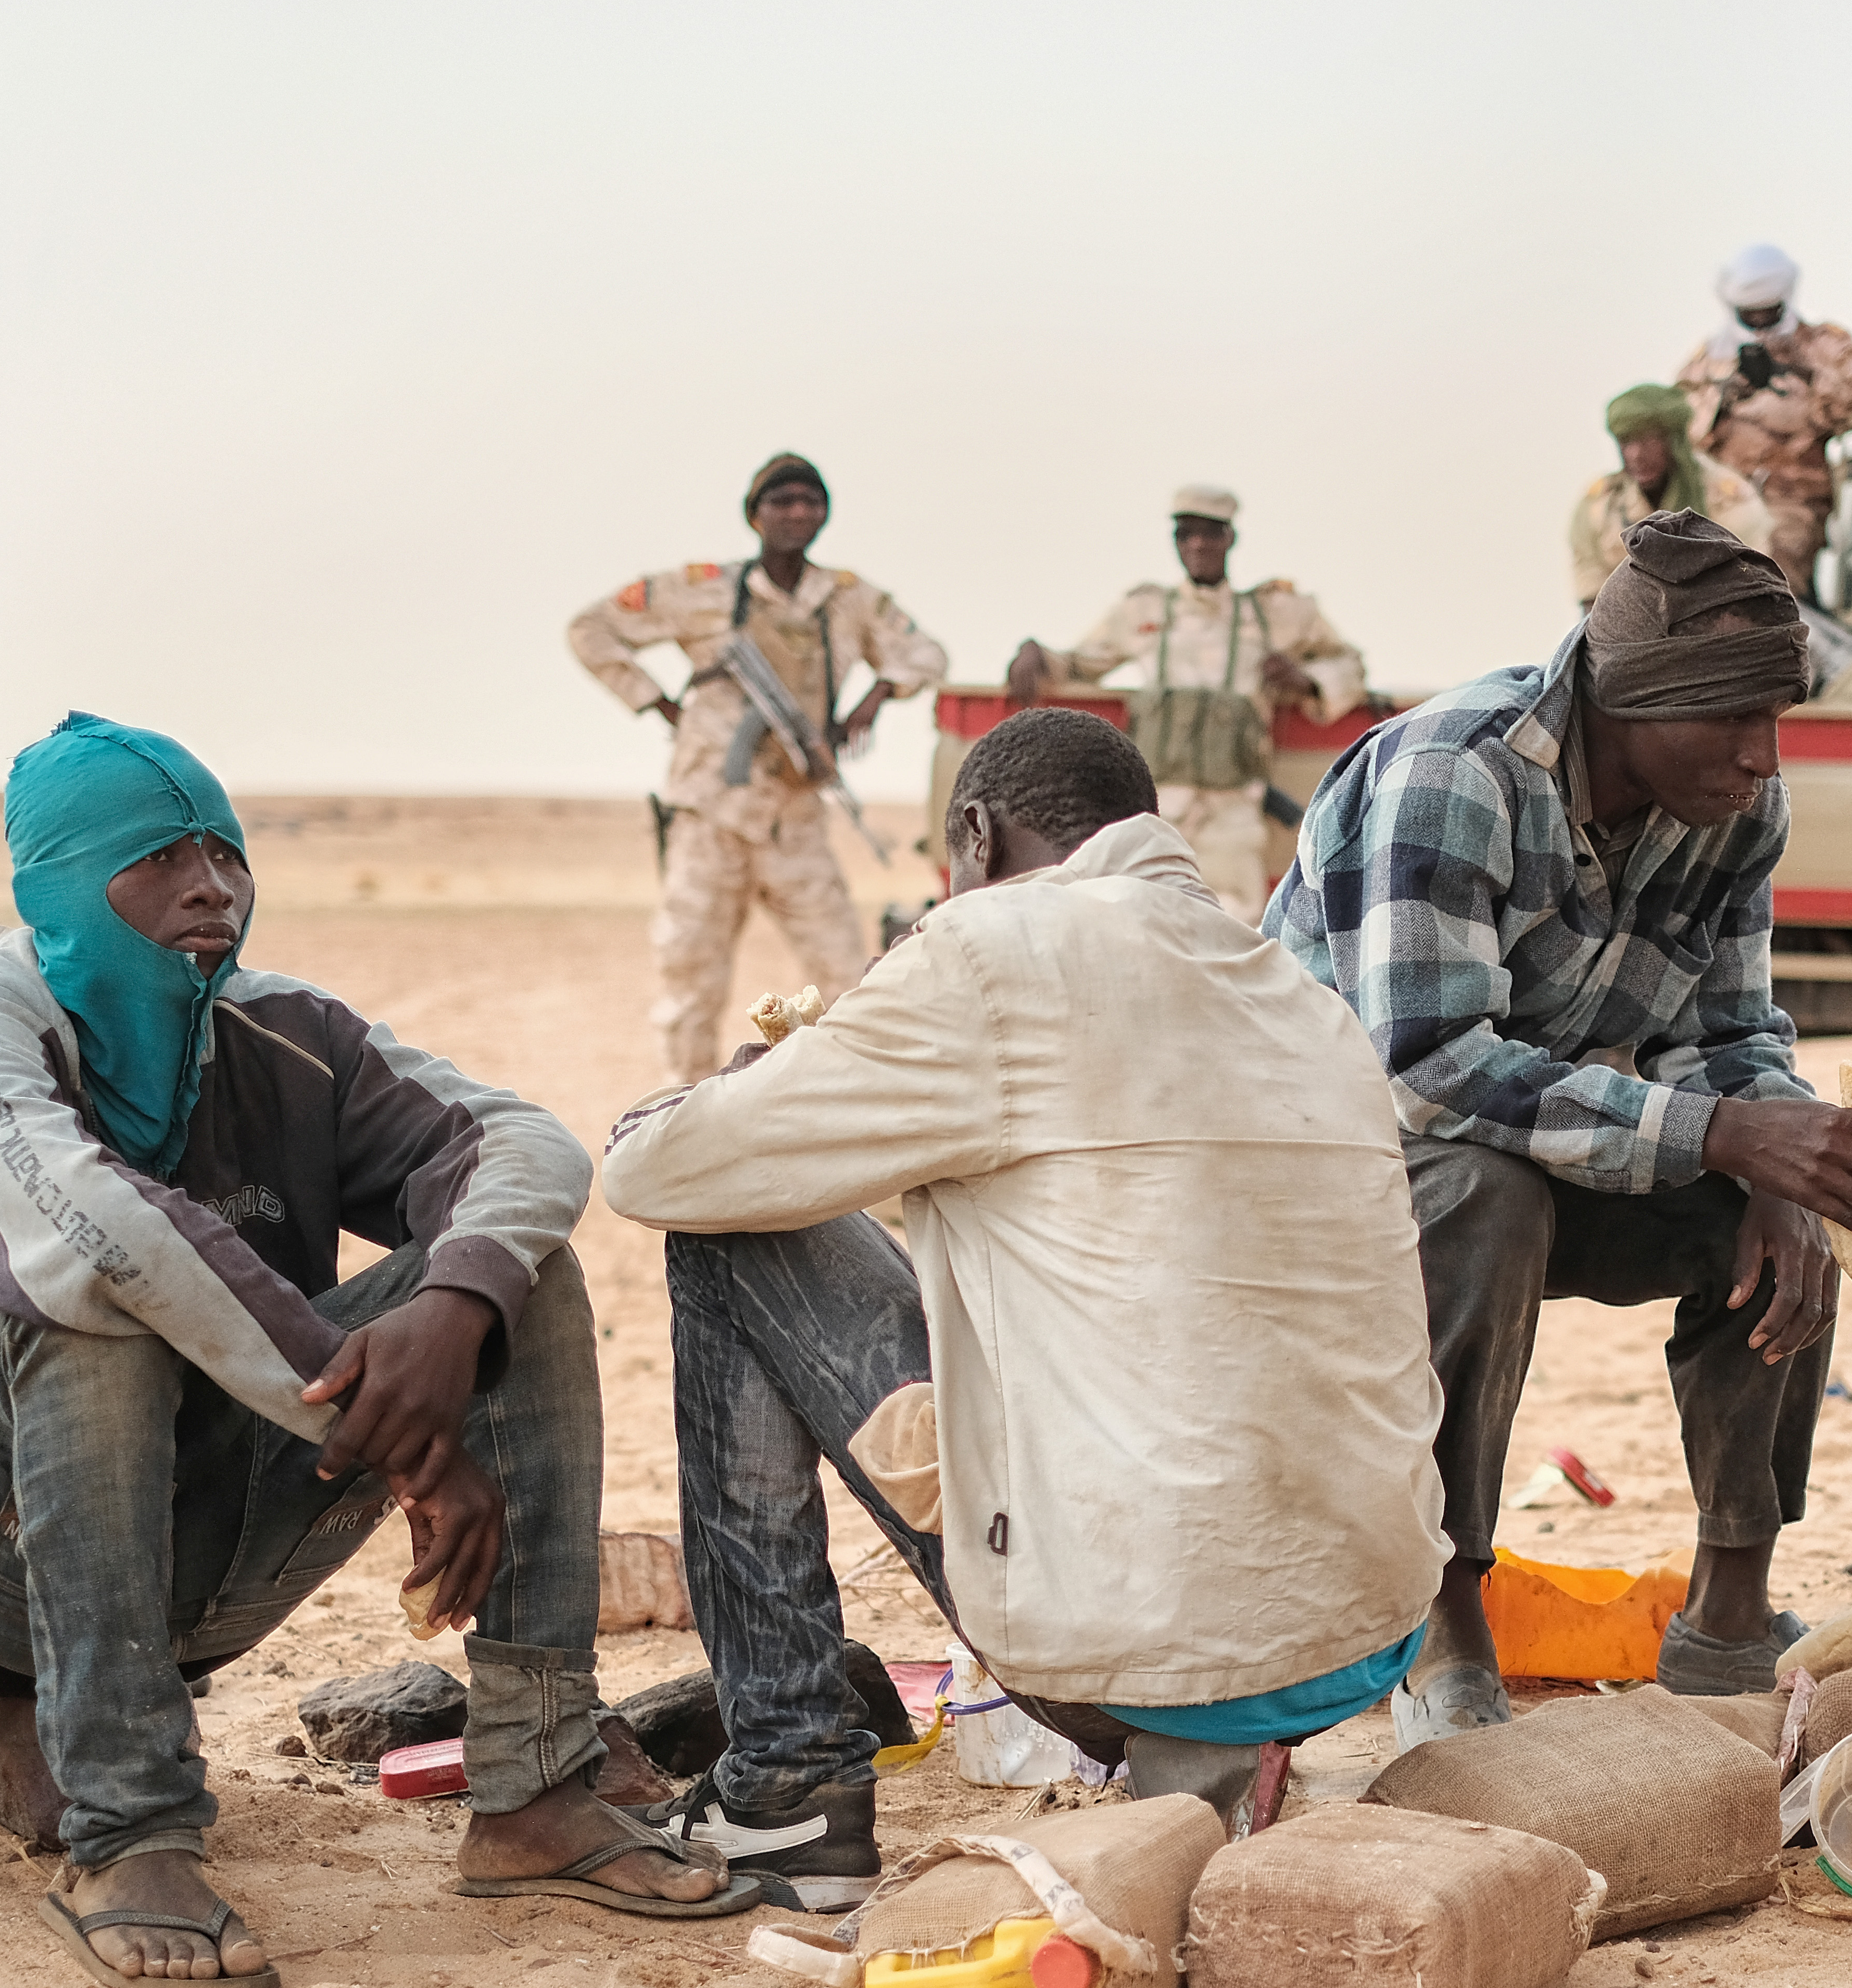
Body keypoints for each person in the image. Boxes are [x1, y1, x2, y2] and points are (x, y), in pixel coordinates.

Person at [0, 714, 752, 1987]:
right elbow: (105, 1235)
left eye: (227, 852)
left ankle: (537, 1783)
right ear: (63, 886)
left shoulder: (275, 1026)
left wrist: (455, 1309)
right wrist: (414, 1436)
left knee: (524, 1270)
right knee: (95, 1316)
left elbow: (528, 1147)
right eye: (159, 858)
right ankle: (128, 1828)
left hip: (204, 1545)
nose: (213, 885)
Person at [601, 706, 1447, 1902]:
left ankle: (792, 1790)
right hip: (1363, 1623)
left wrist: (731, 1100)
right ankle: (1213, 1746)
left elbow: (658, 1172)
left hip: (1156, 1641)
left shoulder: (985, 950)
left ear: (975, 832)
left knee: (730, 1239)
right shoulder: (1291, 982)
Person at [1267, 511, 1852, 1745]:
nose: (1762, 759)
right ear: (1628, 698)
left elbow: (1730, 1026)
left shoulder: (1730, 810)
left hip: (1533, 1137)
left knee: (1792, 1192)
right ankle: (1447, 1621)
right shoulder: (1449, 773)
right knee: (1486, 1188)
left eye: (1774, 719)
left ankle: (1728, 1614)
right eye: (1733, 721)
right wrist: (1725, 1131)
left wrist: (1778, 1155)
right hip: (1340, 1176)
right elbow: (1425, 1069)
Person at [569, 454, 950, 1085]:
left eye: (810, 501)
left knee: (845, 978)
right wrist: (658, 702)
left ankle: (855, 1104)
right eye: (782, 501)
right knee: (691, 983)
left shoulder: (848, 598)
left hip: (794, 816)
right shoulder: (704, 588)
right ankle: (683, 1118)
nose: (798, 513)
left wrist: (872, 702)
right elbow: (591, 630)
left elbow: (925, 653)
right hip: (711, 814)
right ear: (755, 513)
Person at [1002, 485, 1365, 921]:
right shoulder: (1146, 611)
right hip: (1158, 809)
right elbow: (1080, 665)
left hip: (1233, 810)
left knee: (1234, 928)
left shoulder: (1273, 614)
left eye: (1210, 533)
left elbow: (1349, 665)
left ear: (1230, 538)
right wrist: (1035, 653)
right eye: (1185, 534)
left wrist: (1306, 681)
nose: (1197, 544)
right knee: (1144, 922)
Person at [1674, 243, 1852, 592]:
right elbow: (1678, 431)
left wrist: (1808, 374)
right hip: (1718, 503)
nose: (1759, 324)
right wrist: (1723, 397)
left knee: (1768, 574)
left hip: (1793, 504)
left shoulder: (1824, 347)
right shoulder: (1709, 361)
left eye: (1767, 313)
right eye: (1749, 314)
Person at [1570, 384, 1773, 609]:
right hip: (1627, 625)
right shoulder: (1600, 505)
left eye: (1648, 441)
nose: (1637, 455)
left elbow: (1748, 582)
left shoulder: (1727, 496)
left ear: (1673, 441)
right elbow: (1591, 596)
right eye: (1627, 442)